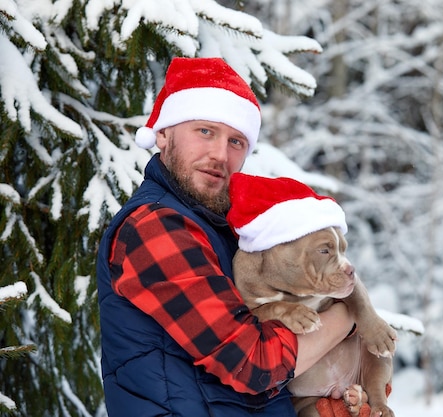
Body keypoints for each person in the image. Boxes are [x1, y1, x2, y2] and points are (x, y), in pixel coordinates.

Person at [96, 57, 356, 417]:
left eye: (236, 141)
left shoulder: (227, 231)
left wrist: (322, 395)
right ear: (163, 134)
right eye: (205, 131)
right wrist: (346, 317)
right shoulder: (155, 225)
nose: (220, 154)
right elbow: (255, 362)